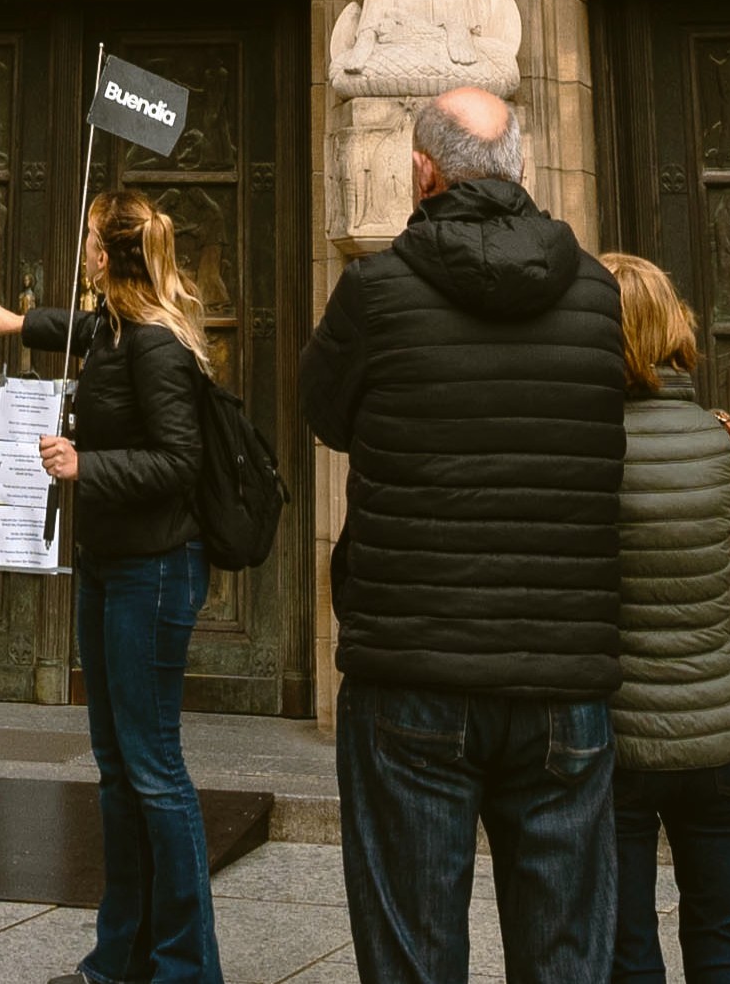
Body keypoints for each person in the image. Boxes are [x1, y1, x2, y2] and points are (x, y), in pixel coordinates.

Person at [296, 85, 623, 984]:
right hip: (562, 672)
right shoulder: (597, 293)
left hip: (414, 665)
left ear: (422, 171)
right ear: (521, 166)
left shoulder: (378, 290)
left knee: (413, 950)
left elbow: (323, 411)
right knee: (565, 957)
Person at [0, 195, 246, 984]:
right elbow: (78, 330)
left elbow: (179, 461)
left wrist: (88, 466)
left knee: (155, 770)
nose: (81, 248)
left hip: (154, 572)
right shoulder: (115, 332)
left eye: (89, 237)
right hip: (112, 563)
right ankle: (121, 959)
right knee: (118, 769)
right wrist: (17, 324)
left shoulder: (155, 346)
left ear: (111, 256)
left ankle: (187, 967)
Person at [604, 254, 730, 984]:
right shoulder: (719, 435)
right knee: (728, 948)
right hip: (727, 737)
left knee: (627, 953)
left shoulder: (587, 447)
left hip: (622, 742)